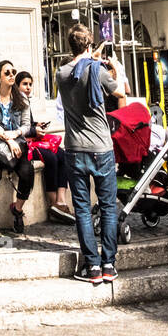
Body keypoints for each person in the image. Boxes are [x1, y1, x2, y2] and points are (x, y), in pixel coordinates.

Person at [57, 25, 125, 283]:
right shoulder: (98, 71)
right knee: (108, 207)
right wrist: (112, 68)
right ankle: (109, 263)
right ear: (89, 46)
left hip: (74, 147)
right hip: (101, 148)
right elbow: (119, 91)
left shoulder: (61, 73)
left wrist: (90, 59)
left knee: (83, 209)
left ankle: (92, 267)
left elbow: (77, 70)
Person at [0, 60, 35, 236]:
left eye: (13, 71)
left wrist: (16, 133)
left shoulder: (22, 98)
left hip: (16, 147)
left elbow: (27, 125)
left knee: (28, 171)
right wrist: (8, 139)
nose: (12, 75)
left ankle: (17, 210)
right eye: (7, 72)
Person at [15, 71, 73, 224]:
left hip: (34, 139)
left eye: (30, 85)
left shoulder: (26, 101)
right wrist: (33, 129)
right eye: (24, 84)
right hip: (25, 143)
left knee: (62, 155)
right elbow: (18, 127)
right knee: (51, 158)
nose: (28, 88)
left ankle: (61, 201)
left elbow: (28, 124)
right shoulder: (16, 102)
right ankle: (53, 203)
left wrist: (36, 126)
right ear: (17, 86)